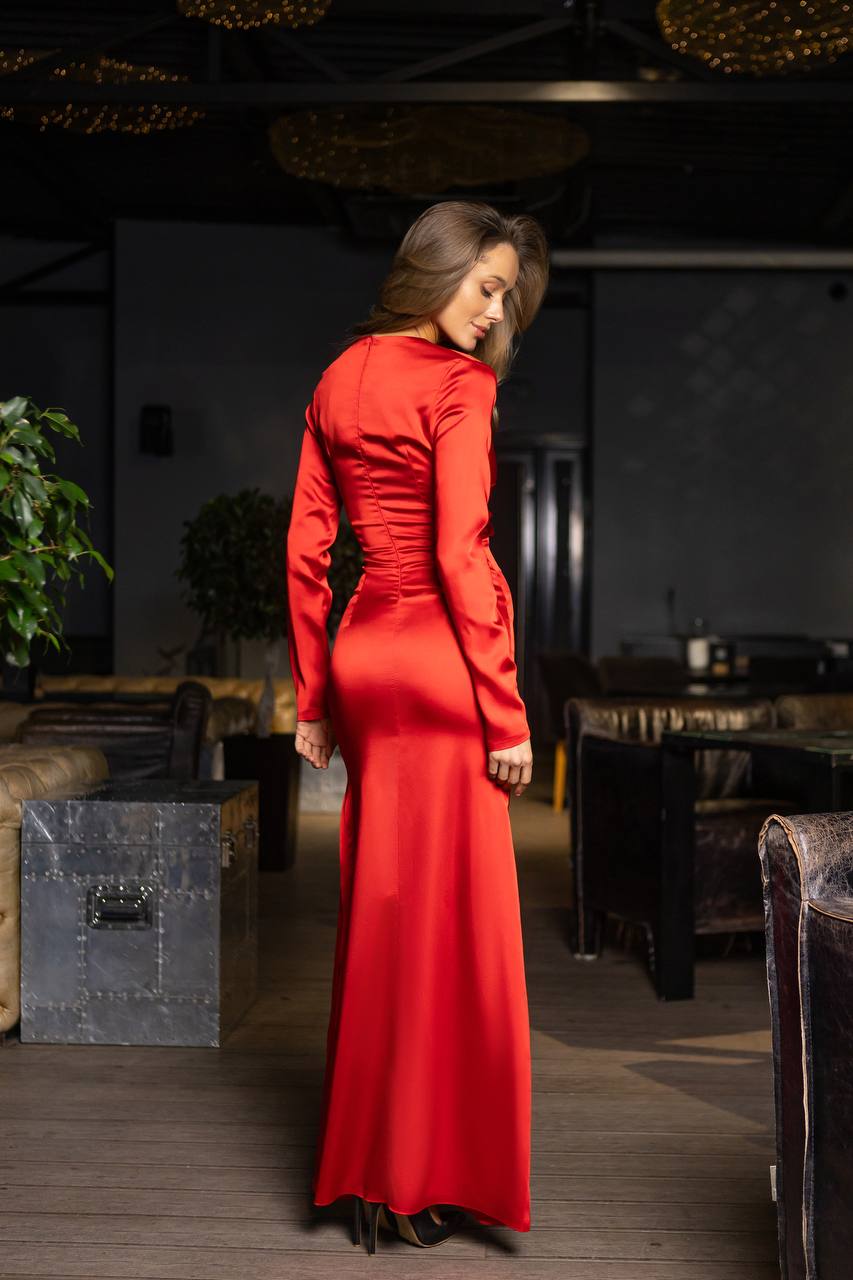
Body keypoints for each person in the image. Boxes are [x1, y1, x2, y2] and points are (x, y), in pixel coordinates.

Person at [285, 199, 549, 1253]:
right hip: (440, 667)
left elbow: (307, 548)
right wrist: (506, 706)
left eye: (504, 296)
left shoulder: (337, 378)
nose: (492, 313)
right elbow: (460, 554)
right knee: (464, 927)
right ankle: (432, 1176)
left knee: (385, 914)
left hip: (364, 655)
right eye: (483, 286)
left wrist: (313, 695)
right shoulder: (455, 386)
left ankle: (374, 1174)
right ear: (431, 269)